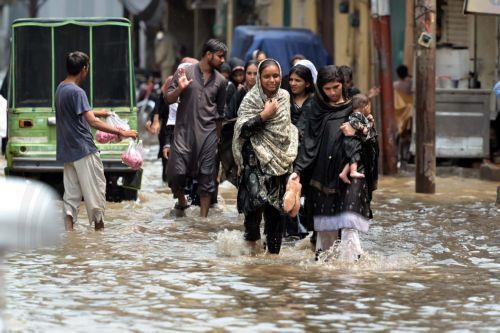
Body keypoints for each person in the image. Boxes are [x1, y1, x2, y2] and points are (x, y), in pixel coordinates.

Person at [291, 65, 375, 260]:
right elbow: (305, 141)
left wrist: (359, 130)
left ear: (343, 84)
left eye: (336, 87)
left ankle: (351, 269)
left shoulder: (354, 106)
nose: (332, 93)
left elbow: (371, 135)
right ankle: (326, 275)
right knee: (326, 231)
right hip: (323, 176)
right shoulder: (314, 107)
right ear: (320, 88)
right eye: (327, 89)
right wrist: (298, 170)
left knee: (349, 222)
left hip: (353, 171)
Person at [56, 51, 138, 231]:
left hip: (68, 152)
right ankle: (99, 240)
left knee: (70, 198)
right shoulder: (78, 92)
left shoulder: (61, 88)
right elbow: (92, 121)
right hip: (84, 150)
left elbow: (79, 113)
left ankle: (69, 237)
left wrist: (100, 113)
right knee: (96, 196)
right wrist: (122, 132)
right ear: (84, 69)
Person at [233, 59, 299, 254]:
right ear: (259, 79)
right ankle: (252, 253)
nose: (272, 80)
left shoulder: (285, 96)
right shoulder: (251, 99)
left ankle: (272, 260)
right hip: (255, 158)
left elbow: (284, 131)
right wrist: (264, 115)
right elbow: (242, 131)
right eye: (267, 76)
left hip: (280, 160)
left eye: (276, 76)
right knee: (254, 206)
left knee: (276, 212)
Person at [165, 39, 228, 218]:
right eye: (220, 56)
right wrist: (180, 89)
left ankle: (202, 219)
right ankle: (182, 202)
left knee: (207, 177)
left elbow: (220, 113)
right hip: (184, 132)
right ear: (208, 55)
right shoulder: (184, 72)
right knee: (176, 173)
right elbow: (168, 99)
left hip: (208, 134)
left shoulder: (221, 81)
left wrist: (217, 139)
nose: (223, 60)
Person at [220, 60, 259, 186]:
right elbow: (229, 116)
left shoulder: (265, 94)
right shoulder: (239, 93)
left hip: (260, 142)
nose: (252, 77)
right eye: (249, 73)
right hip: (241, 142)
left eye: (255, 73)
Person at [338, 94, 376, 184]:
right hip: (352, 141)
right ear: (366, 107)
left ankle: (344, 173)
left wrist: (370, 121)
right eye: (370, 106)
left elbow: (368, 127)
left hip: (354, 141)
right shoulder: (356, 115)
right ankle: (353, 172)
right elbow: (354, 123)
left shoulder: (362, 117)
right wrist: (363, 127)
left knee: (354, 158)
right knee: (355, 156)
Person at [393, 64, 413, 165]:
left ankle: (400, 157)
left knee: (401, 135)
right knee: (409, 136)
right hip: (411, 112)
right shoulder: (410, 83)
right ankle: (407, 156)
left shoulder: (396, 85)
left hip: (401, 113)